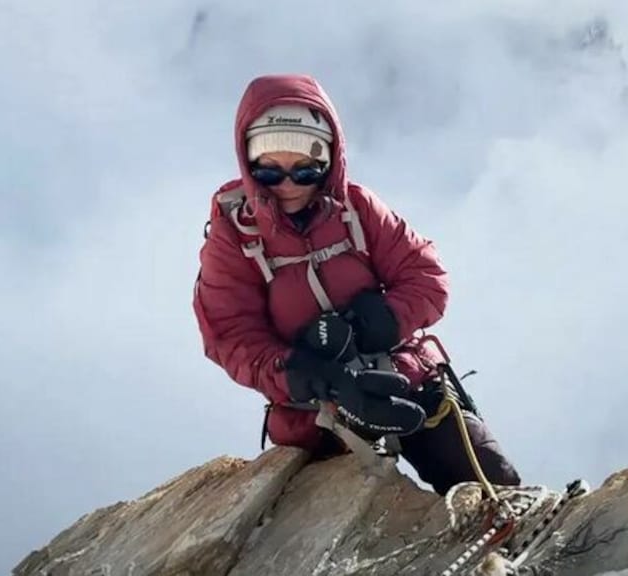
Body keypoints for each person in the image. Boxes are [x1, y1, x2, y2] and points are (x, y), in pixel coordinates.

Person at [192, 73, 521, 496]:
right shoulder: (236, 235)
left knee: (495, 484)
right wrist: (301, 373)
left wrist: (380, 321)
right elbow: (228, 332)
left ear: (329, 159)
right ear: (248, 161)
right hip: (314, 412)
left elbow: (426, 277)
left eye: (306, 168)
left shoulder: (357, 209)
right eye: (270, 171)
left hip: (402, 376)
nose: (289, 184)